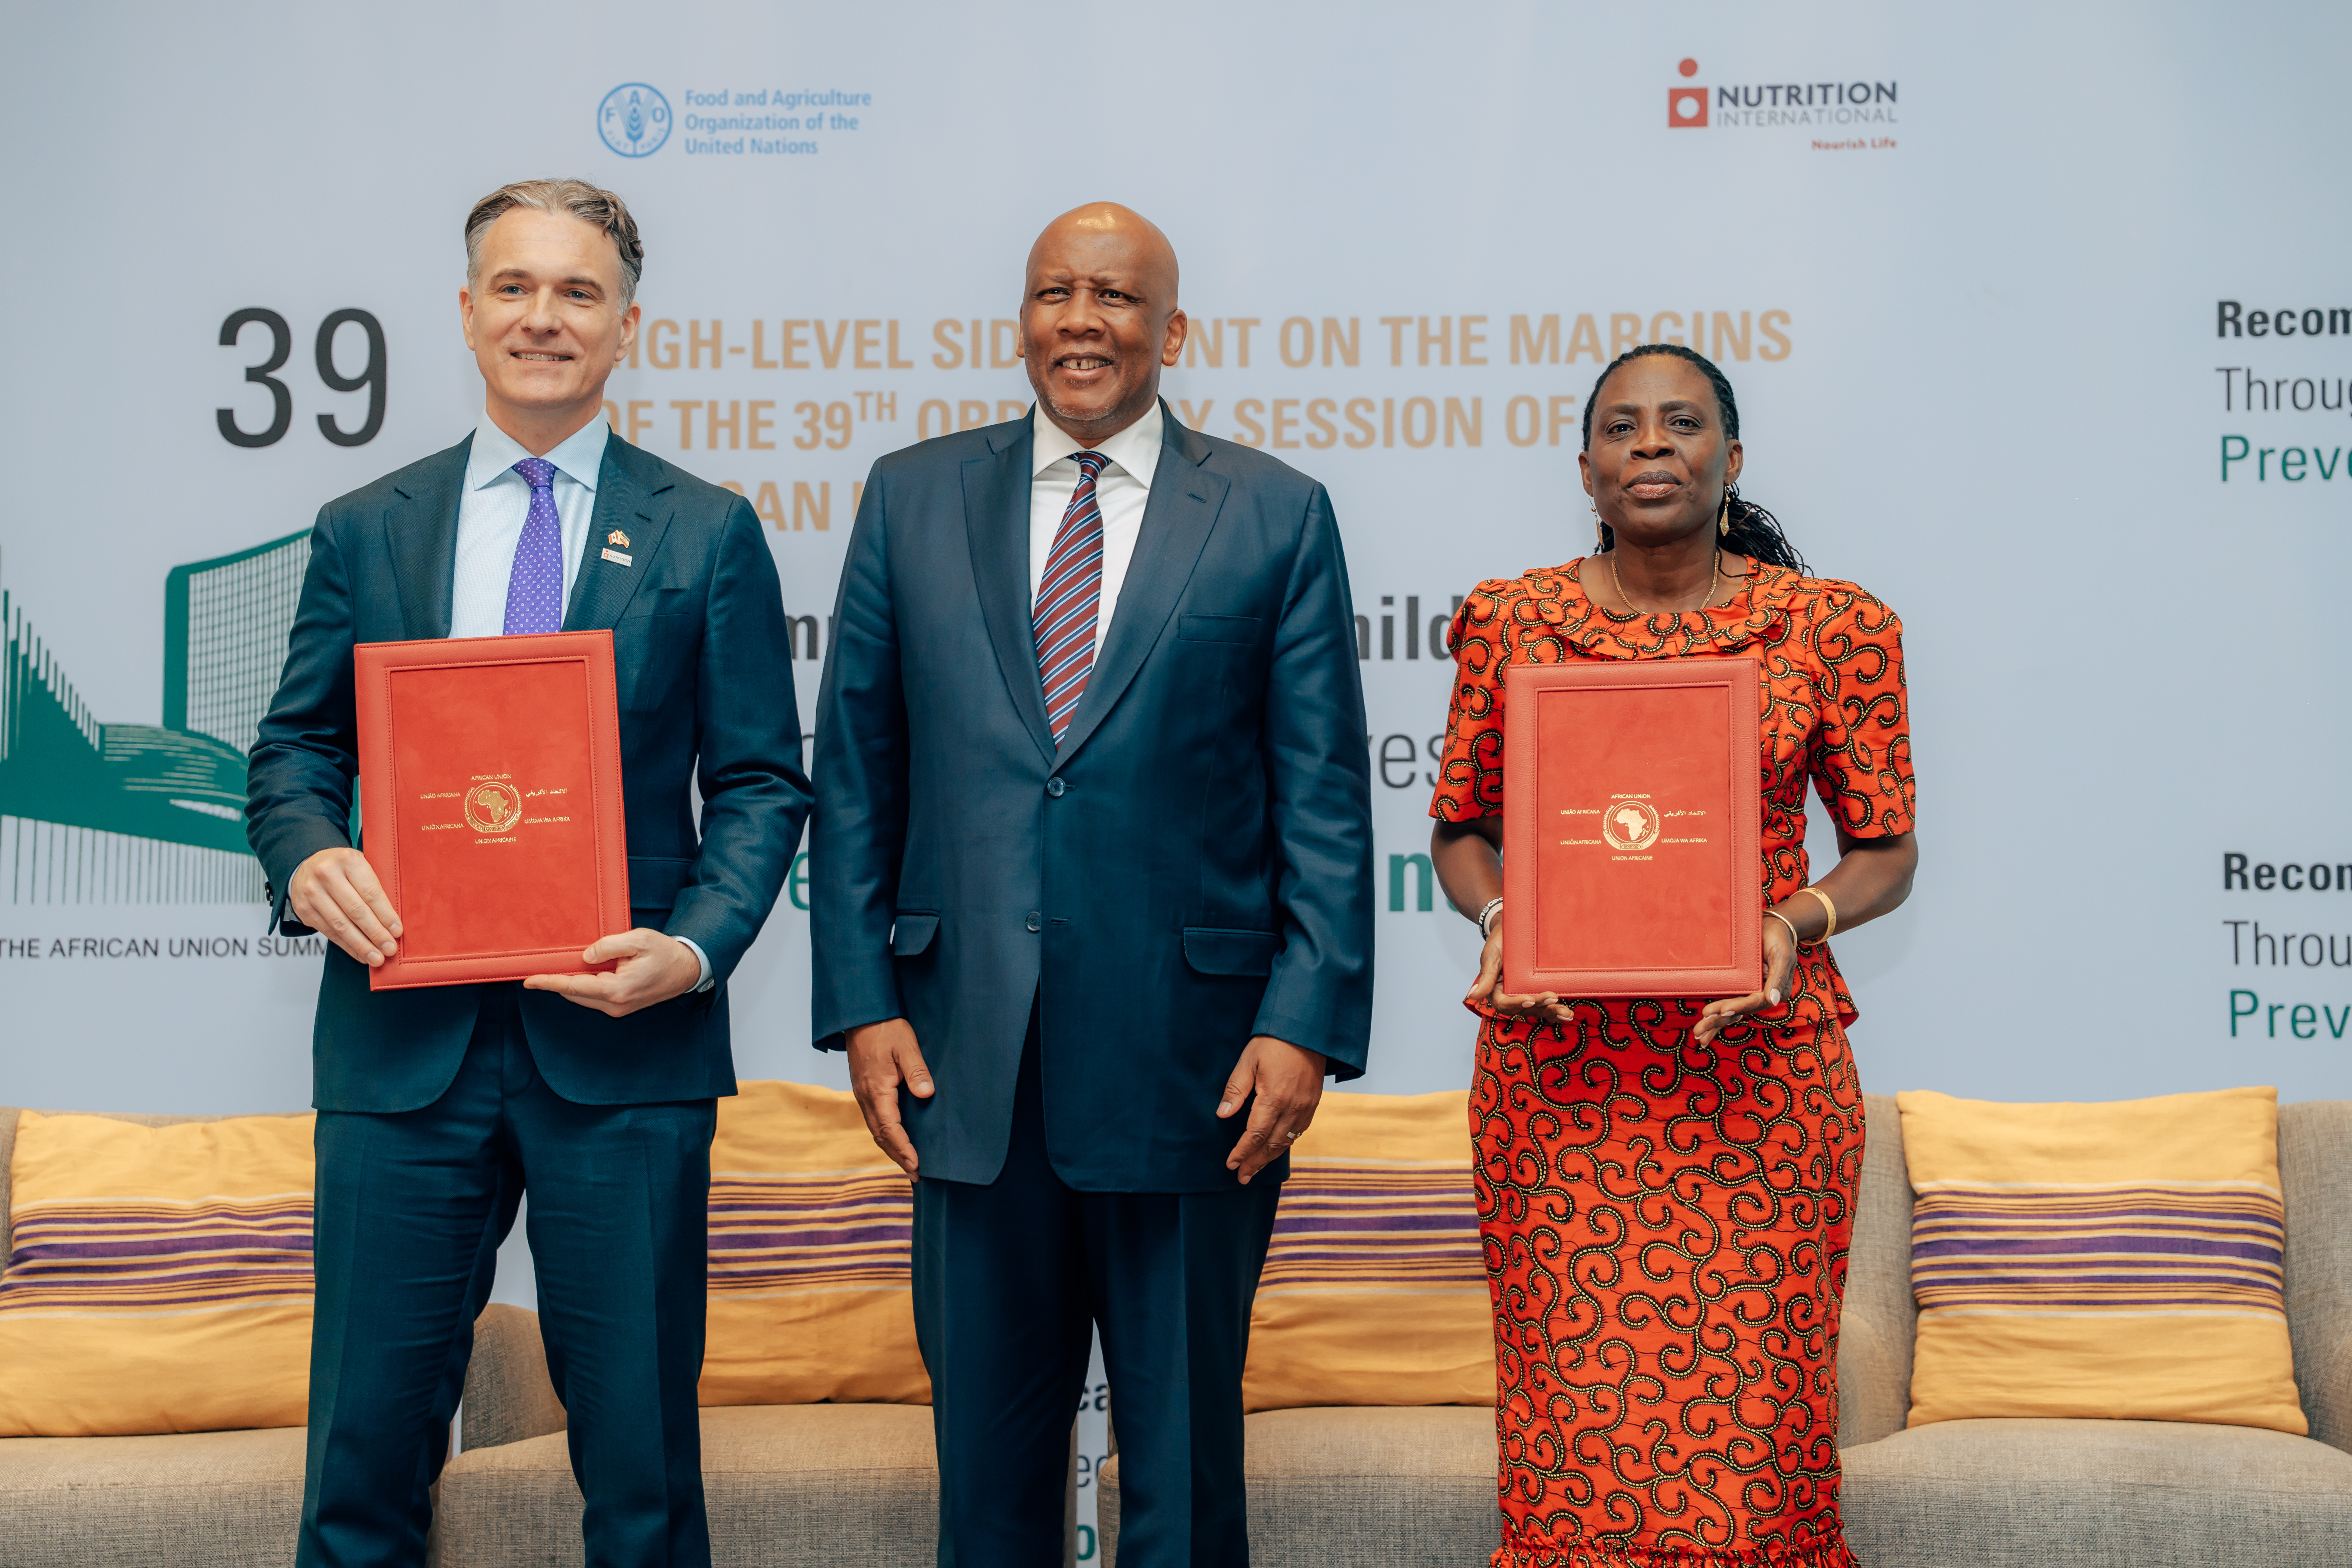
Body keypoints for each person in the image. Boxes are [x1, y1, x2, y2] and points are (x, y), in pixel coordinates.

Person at [246, 178, 809, 1568]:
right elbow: (290, 754)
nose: (541, 318)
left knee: (641, 1484)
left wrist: (694, 944)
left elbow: (758, 784)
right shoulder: (364, 525)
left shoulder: (708, 530)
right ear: (465, 311)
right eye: (513, 287)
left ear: (627, 329)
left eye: (576, 294)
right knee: (362, 1469)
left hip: (624, 1054)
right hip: (399, 1055)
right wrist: (310, 851)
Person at [811, 202, 1372, 1565]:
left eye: (1115, 297)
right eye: (1055, 293)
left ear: (1171, 331)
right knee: (988, 1485)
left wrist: (1304, 1022)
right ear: (1022, 322)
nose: (1083, 320)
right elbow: (856, 777)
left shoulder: (1274, 511)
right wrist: (863, 1004)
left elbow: (1324, 802)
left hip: (1200, 1075)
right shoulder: (910, 493)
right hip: (966, 1064)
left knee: (1183, 1479)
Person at [1429, 343, 1917, 1568]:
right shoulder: (1509, 620)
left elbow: (1884, 851)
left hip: (1756, 1086)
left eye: (1681, 423)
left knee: (1755, 1457)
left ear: (1730, 458)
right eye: (1622, 428)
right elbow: (1459, 831)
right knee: (1573, 1449)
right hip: (1563, 1086)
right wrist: (1504, 924)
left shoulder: (1833, 627)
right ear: (1586, 470)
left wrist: (1788, 923)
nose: (1650, 445)